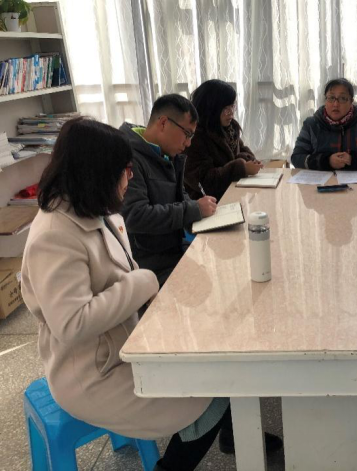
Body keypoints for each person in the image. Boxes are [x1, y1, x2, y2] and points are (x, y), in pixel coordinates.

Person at [21, 117, 229, 471]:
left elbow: (117, 274)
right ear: (96, 173)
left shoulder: (91, 209)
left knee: (218, 366)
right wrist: (142, 283)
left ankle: (231, 434)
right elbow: (72, 323)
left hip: (121, 347)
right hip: (91, 377)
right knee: (213, 392)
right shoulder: (54, 235)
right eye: (124, 170)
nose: (130, 178)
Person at [119, 94, 217, 286]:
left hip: (175, 246)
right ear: (163, 123)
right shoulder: (129, 157)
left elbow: (179, 195)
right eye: (187, 134)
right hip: (151, 263)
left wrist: (199, 210)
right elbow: (135, 216)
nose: (188, 143)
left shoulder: (165, 151)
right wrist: (194, 209)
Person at [185, 79, 263, 201]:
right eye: (226, 108)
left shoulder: (229, 128)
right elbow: (204, 183)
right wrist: (242, 168)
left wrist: (249, 160)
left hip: (232, 194)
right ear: (210, 108)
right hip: (206, 203)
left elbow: (241, 150)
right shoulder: (195, 137)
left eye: (232, 106)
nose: (231, 112)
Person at [291, 78, 357, 170]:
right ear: (325, 101)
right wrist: (327, 161)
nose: (336, 104)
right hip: (320, 182)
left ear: (351, 101)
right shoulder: (311, 124)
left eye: (343, 98)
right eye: (331, 98)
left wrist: (354, 160)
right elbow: (296, 158)